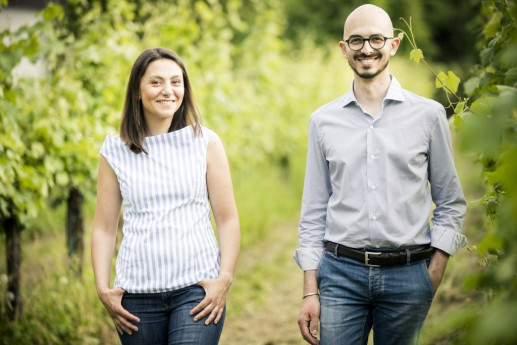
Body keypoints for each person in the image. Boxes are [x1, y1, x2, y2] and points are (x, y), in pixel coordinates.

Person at [294, 4, 467, 345]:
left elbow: (450, 201)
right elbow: (314, 211)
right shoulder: (323, 121)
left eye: (376, 38)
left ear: (394, 44)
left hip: (409, 276)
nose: (366, 48)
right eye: (356, 41)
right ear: (344, 49)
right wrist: (310, 290)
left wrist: (432, 272)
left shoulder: (429, 116)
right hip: (340, 275)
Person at [91, 47, 240, 345]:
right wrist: (102, 289)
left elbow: (227, 219)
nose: (168, 91)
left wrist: (224, 277)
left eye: (176, 81)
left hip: (197, 291)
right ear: (137, 90)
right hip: (136, 299)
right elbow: (104, 228)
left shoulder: (205, 142)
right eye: (156, 82)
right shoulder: (114, 151)